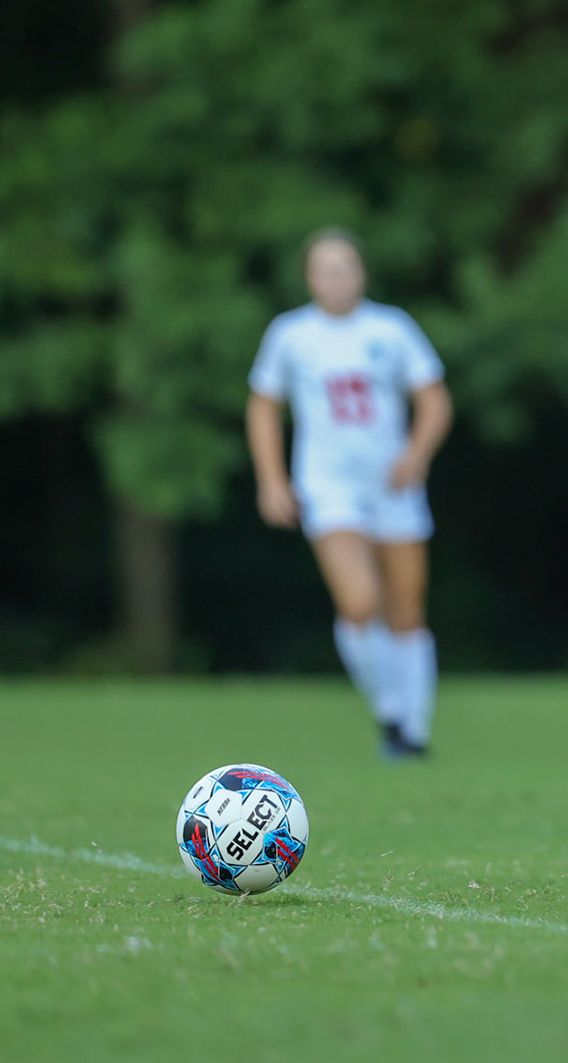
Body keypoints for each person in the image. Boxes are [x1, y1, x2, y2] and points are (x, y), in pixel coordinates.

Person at [247, 228, 454, 759]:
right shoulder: (291, 335)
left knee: (406, 608)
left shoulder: (392, 328)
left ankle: (414, 730)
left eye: (345, 268)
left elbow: (434, 400)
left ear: (361, 273)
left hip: (392, 484)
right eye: (325, 269)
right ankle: (390, 710)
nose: (336, 279)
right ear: (310, 277)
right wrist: (272, 479)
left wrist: (416, 454)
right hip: (328, 484)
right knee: (361, 603)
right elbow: (264, 405)